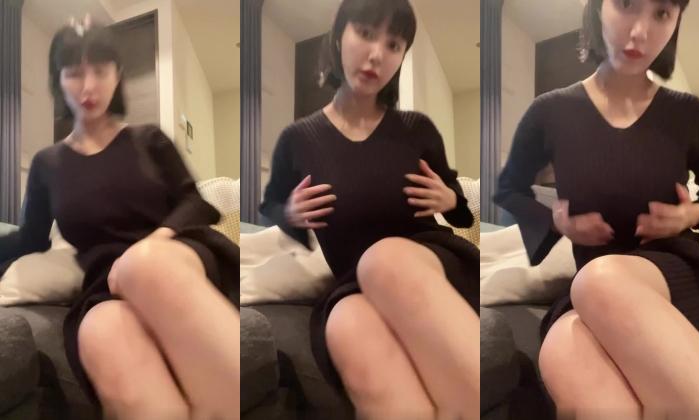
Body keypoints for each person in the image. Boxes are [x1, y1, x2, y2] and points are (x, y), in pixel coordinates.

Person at [0, 17, 240, 419]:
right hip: (104, 284)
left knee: (145, 267)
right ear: (58, 81)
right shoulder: (47, 164)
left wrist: (154, 243)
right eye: (74, 73)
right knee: (101, 332)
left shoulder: (149, 139)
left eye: (100, 70)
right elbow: (31, 239)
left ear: (118, 75)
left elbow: (196, 203)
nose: (88, 86)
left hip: (177, 257)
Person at [494, 0, 699, 418]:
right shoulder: (550, 112)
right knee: (563, 351)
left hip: (677, 268)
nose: (641, 31)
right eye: (627, 4)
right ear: (597, 8)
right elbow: (509, 189)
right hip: (591, 280)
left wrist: (694, 214)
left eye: (661, 14)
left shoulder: (689, 114)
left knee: (601, 281)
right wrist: (557, 222)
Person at [259, 1, 480, 418]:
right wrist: (289, 213)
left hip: (431, 264)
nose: (377, 54)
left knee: (386, 259)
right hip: (352, 282)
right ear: (338, 36)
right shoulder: (297, 139)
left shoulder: (417, 129)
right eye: (365, 33)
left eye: (393, 45)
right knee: (346, 325)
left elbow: (463, 216)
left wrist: (451, 200)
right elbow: (270, 206)